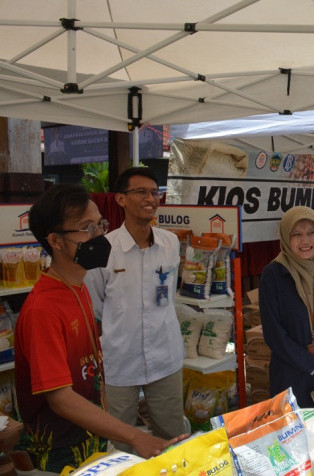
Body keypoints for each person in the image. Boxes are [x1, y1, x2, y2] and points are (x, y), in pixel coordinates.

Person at [15, 184, 184, 472]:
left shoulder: (78, 287)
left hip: (88, 444)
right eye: (87, 228)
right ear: (56, 241)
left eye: (100, 225)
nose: (99, 236)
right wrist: (134, 436)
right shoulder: (44, 308)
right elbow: (60, 399)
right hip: (56, 455)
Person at [85, 167, 185, 452]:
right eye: (140, 191)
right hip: (121, 359)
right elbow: (97, 305)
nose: (150, 198)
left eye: (155, 192)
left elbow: (169, 295)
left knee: (172, 436)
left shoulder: (170, 243)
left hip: (166, 355)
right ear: (120, 199)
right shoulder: (103, 248)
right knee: (121, 441)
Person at [259, 207, 314, 407]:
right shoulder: (273, 275)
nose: (306, 241)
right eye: (297, 235)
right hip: (292, 381)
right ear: (285, 237)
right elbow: (275, 337)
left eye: (311, 233)